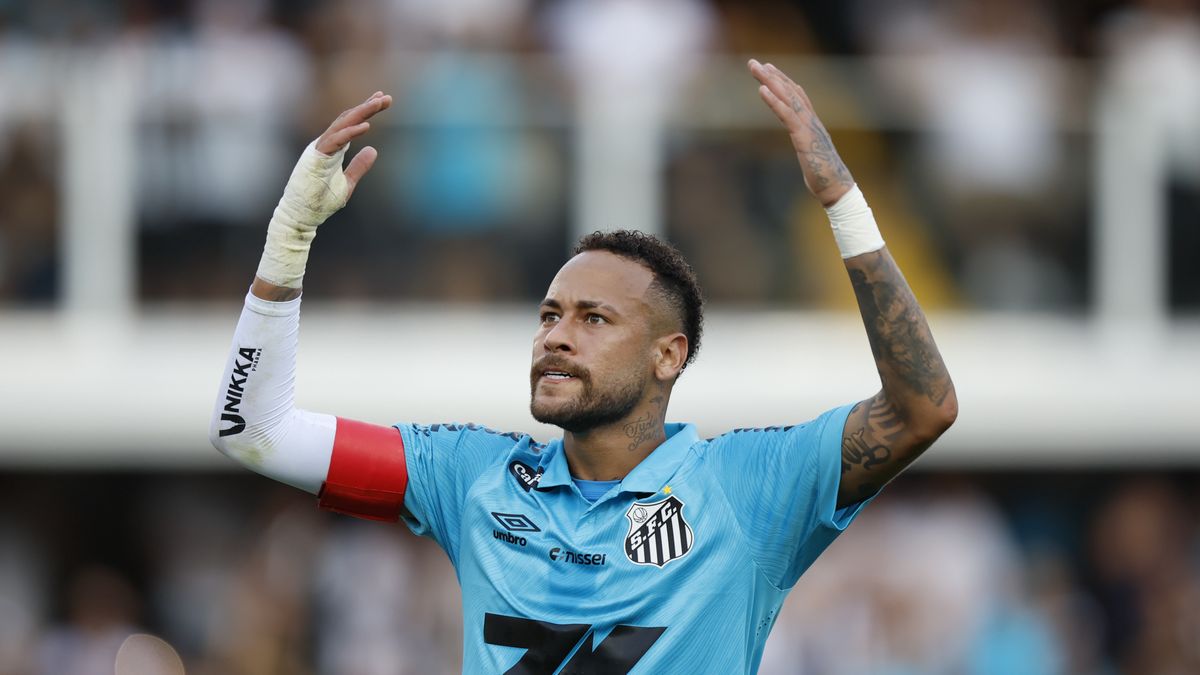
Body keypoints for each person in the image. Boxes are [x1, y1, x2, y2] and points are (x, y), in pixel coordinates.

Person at [210, 61, 957, 674]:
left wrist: (840, 201)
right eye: (549, 314)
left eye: (594, 319)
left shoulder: (749, 487)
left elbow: (924, 407)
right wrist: (291, 233)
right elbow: (253, 431)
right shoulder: (469, 473)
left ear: (670, 355)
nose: (557, 337)